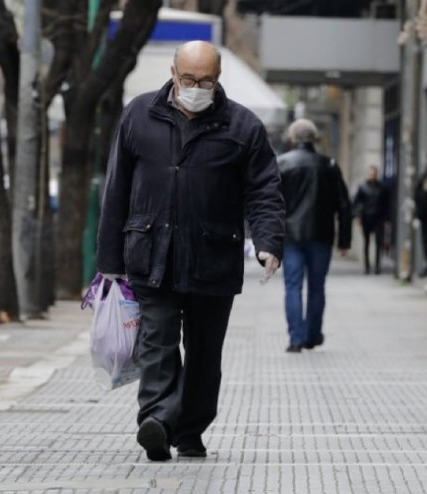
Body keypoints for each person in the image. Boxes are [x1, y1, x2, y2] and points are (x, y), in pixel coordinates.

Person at [96, 40, 285, 462]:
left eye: (206, 81)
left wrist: (269, 242)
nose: (196, 87)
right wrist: (109, 263)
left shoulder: (243, 127)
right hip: (150, 254)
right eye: (188, 80)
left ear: (218, 80)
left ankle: (191, 430)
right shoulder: (139, 115)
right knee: (157, 343)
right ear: (173, 73)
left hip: (212, 258)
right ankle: (158, 421)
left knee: (203, 353)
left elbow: (264, 191)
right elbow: (116, 190)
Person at [277, 119, 352, 353]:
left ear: (292, 139)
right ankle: (313, 335)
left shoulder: (282, 164)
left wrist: (268, 237)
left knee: (292, 286)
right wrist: (345, 240)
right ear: (314, 139)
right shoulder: (328, 165)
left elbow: (270, 203)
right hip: (321, 234)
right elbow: (344, 205)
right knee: (317, 287)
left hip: (290, 236)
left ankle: (296, 339)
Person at [353, 165, 389, 274]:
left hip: (378, 218)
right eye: (371, 173)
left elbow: (386, 204)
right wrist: (358, 216)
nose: (372, 175)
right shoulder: (363, 187)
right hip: (366, 217)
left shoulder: (382, 188)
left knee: (379, 243)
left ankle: (377, 266)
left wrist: (387, 219)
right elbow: (357, 203)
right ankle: (367, 266)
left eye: (374, 173)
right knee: (367, 242)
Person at [414, 161, 427, 278]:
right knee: (426, 241)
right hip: (426, 215)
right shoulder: (426, 177)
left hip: (424, 214)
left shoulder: (425, 176)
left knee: (426, 241)